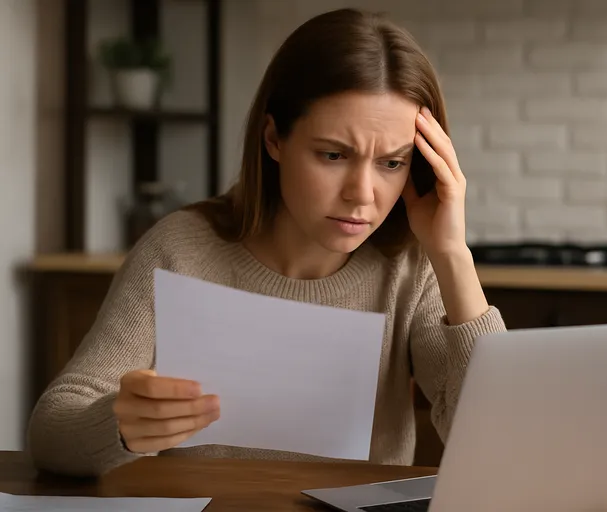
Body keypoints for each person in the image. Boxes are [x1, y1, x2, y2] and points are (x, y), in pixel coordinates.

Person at [26, 7, 507, 477]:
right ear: (274, 138)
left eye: (392, 163)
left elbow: (499, 441)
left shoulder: (408, 267)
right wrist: (119, 424)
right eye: (333, 155)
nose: (363, 194)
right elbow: (51, 431)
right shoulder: (179, 250)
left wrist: (452, 255)